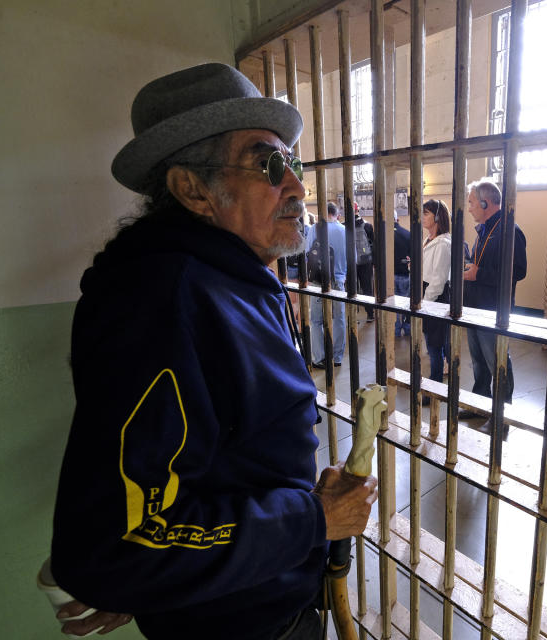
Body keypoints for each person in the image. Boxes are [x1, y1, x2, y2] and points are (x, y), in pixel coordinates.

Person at [50, 63, 378, 640]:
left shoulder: (231, 278)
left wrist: (161, 578)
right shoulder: (164, 299)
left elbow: (203, 465)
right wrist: (313, 519)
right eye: (269, 165)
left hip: (252, 597)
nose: (299, 186)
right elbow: (118, 544)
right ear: (192, 190)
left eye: (294, 163)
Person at [459, 179, 527, 435]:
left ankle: (502, 417)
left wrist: (479, 274)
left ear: (486, 202)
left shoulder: (510, 230)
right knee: (479, 362)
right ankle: (479, 405)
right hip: (476, 306)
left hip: (494, 309)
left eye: (472, 203)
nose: (470, 208)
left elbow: (518, 271)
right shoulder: (486, 229)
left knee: (497, 362)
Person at [309, 201, 347, 368]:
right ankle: (337, 357)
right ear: (336, 214)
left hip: (318, 281)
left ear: (323, 213)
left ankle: (319, 358)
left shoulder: (315, 229)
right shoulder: (344, 230)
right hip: (339, 280)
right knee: (339, 318)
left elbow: (306, 254)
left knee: (316, 320)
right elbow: (352, 258)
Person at [420, 199, 451, 385]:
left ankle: (436, 384)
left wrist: (424, 303)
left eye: (426, 213)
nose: (422, 217)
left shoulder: (443, 244)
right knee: (431, 344)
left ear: (438, 216)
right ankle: (435, 381)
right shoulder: (429, 240)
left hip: (434, 297)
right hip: (427, 293)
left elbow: (438, 281)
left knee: (434, 346)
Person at [353, 203, 375, 321]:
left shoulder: (343, 226)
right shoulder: (367, 226)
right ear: (358, 210)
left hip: (351, 261)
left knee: (352, 289)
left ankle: (353, 316)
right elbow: (374, 245)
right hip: (366, 261)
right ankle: (370, 314)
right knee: (367, 288)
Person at [392, 208, 411, 336]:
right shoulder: (407, 234)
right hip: (405, 275)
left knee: (393, 306)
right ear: (397, 219)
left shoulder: (384, 236)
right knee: (406, 304)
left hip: (389, 276)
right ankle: (408, 328)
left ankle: (396, 330)